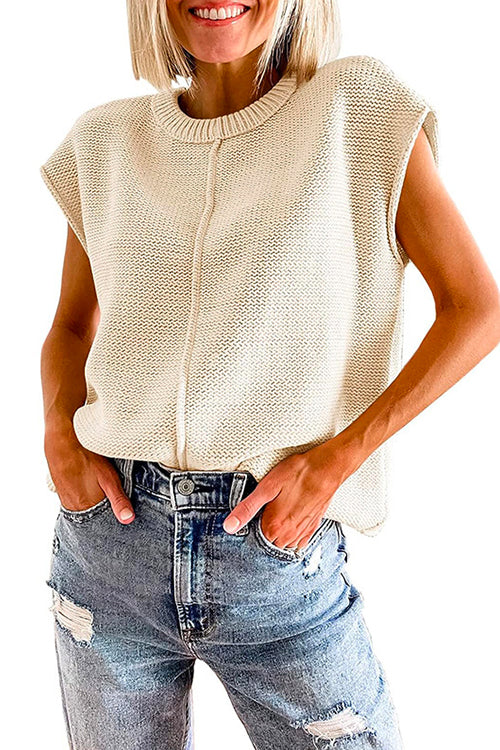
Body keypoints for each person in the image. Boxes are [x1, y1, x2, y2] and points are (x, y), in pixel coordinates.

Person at [39, 1, 500, 748]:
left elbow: (477, 308)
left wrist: (337, 461)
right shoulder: (105, 143)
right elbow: (69, 326)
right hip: (107, 553)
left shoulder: (359, 110)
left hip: (274, 556)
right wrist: (59, 434)